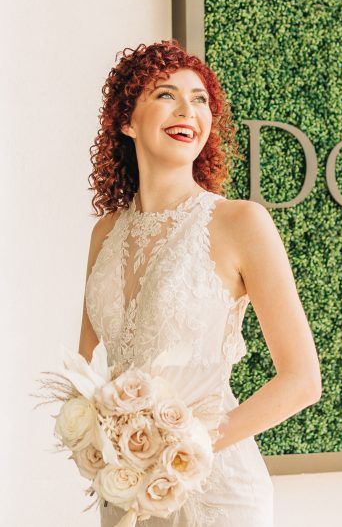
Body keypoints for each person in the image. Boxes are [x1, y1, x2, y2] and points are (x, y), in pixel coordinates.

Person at [77, 40, 322, 526]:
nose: (188, 109)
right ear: (126, 120)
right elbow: (85, 370)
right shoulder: (105, 233)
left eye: (201, 99)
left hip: (215, 489)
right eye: (166, 94)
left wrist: (182, 448)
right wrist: (99, 444)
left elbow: (302, 382)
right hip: (126, 491)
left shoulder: (241, 223)